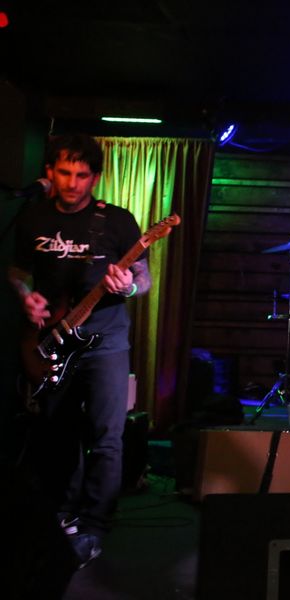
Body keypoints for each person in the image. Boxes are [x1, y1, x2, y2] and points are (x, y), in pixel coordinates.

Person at [9, 133, 151, 569]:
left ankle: (94, 525)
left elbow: (144, 279)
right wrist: (25, 297)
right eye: (65, 173)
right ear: (49, 173)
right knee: (59, 433)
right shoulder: (32, 217)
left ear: (95, 177)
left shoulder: (116, 221)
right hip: (53, 339)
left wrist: (127, 287)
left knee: (106, 436)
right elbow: (17, 273)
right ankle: (63, 514)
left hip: (106, 340)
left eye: (82, 175)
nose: (73, 184)